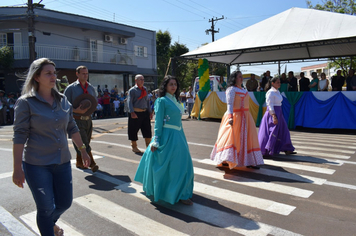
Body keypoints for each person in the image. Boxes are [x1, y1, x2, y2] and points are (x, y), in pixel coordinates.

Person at [12, 58, 91, 236]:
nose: (53, 76)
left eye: (54, 73)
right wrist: (17, 168)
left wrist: (83, 151)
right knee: (46, 206)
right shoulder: (26, 103)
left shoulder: (63, 101)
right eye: (48, 73)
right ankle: (48, 227)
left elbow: (72, 127)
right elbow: (19, 136)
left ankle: (48, 222)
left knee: (64, 203)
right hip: (37, 164)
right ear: (37, 77)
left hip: (62, 162)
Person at [134, 75, 194, 205]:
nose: (174, 86)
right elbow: (158, 122)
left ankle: (181, 192)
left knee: (182, 164)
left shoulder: (176, 100)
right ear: (165, 86)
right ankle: (174, 193)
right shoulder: (161, 101)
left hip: (179, 135)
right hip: (167, 136)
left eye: (175, 84)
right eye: (171, 84)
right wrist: (156, 140)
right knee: (171, 165)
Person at [210, 71, 264, 169]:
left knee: (248, 139)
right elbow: (229, 105)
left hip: (246, 117)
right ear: (234, 78)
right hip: (235, 116)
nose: (241, 78)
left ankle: (249, 161)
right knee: (231, 138)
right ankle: (226, 159)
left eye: (241, 77)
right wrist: (230, 117)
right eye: (239, 77)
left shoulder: (243, 90)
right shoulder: (231, 90)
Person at [64, 65, 99, 172]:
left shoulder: (91, 88)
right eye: (83, 73)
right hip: (76, 119)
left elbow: (94, 101)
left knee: (85, 142)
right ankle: (92, 164)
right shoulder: (71, 88)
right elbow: (64, 105)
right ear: (77, 74)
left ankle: (79, 162)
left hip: (88, 119)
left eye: (87, 73)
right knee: (84, 143)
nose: (85, 75)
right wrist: (76, 110)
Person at [258, 77, 296, 157]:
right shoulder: (270, 92)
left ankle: (287, 149)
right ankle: (265, 150)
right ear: (273, 83)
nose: (279, 84)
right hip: (273, 113)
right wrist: (274, 116)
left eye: (279, 82)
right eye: (278, 82)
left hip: (279, 112)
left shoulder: (277, 91)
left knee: (284, 130)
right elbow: (270, 105)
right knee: (272, 131)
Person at [127, 74, 152, 153]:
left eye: (143, 79)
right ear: (136, 80)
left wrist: (150, 112)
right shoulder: (132, 90)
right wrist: (132, 112)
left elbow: (147, 101)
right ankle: (134, 146)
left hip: (145, 112)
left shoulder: (144, 89)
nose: (142, 81)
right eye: (140, 79)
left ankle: (148, 146)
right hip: (136, 112)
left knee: (147, 129)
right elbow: (129, 102)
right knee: (133, 130)